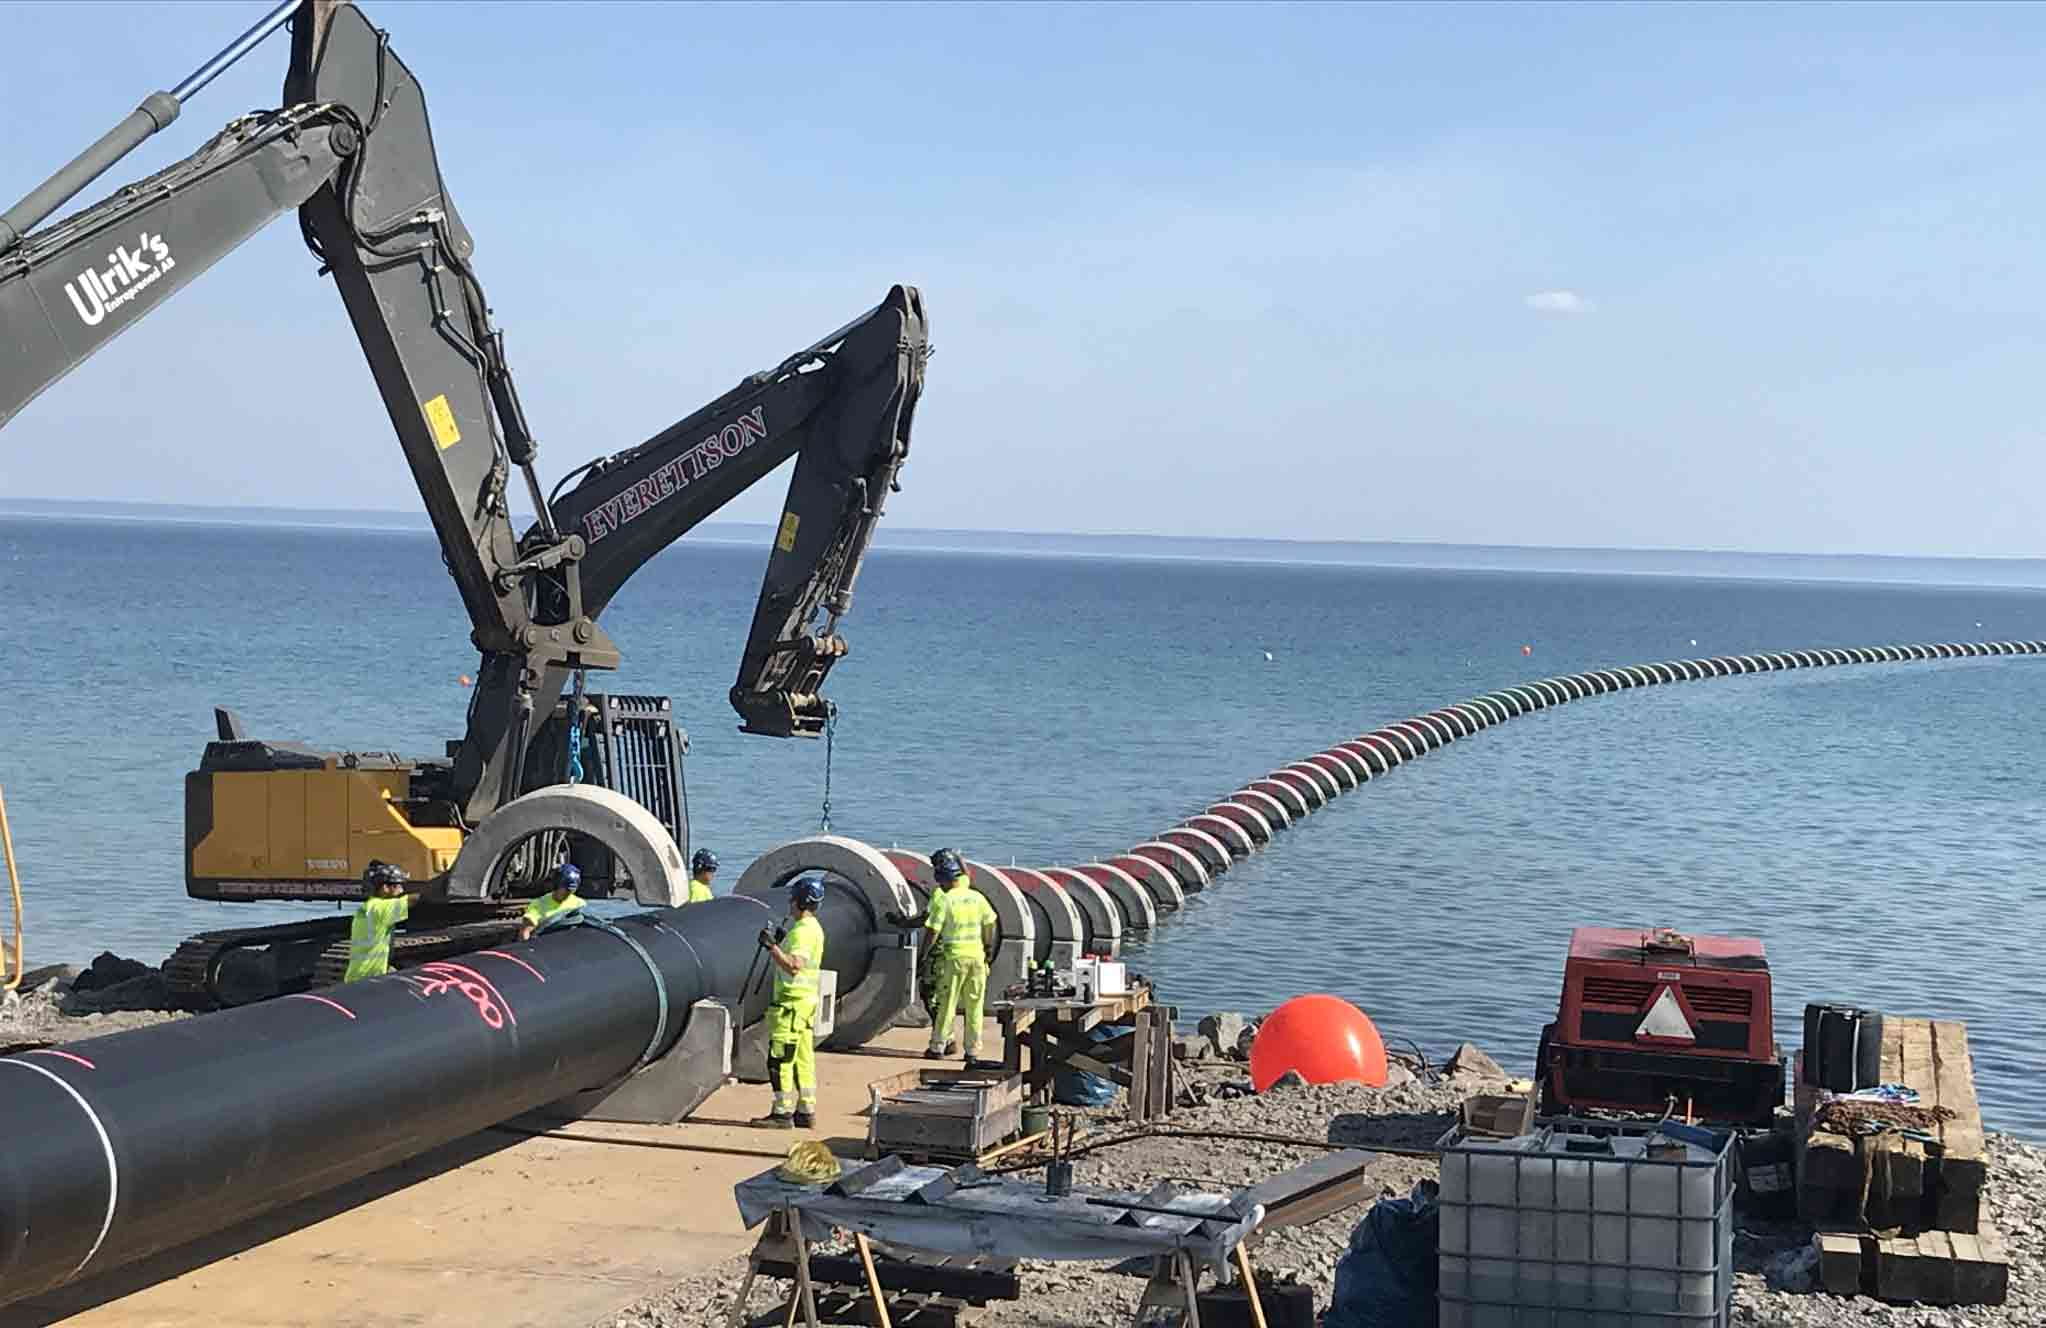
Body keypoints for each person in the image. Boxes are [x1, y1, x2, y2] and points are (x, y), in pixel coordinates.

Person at [754, 876, 826, 1130]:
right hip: (805, 1004)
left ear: (799, 902)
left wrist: (772, 947)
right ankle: (806, 1109)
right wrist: (783, 942)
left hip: (791, 1004)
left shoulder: (803, 931)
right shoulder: (813, 928)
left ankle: (782, 1112)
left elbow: (794, 966)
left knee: (780, 1058)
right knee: (803, 1058)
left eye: (792, 899)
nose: (790, 904)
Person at [921, 848, 997, 1064]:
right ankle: (972, 1052)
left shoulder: (945, 900)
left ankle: (937, 1047)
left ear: (943, 879)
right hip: (977, 958)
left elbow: (933, 931)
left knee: (947, 1004)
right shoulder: (977, 898)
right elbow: (990, 924)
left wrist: (924, 955)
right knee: (975, 1006)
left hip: (954, 959)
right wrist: (987, 949)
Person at [343, 860, 421, 982]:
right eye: (398, 886)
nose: (401, 890)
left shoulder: (372, 906)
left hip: (361, 976)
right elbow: (413, 900)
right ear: (385, 888)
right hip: (365, 979)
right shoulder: (380, 908)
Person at [518, 863, 585, 941]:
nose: (568, 893)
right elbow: (525, 932)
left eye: (572, 891)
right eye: (566, 889)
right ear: (556, 885)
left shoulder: (579, 904)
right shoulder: (538, 905)